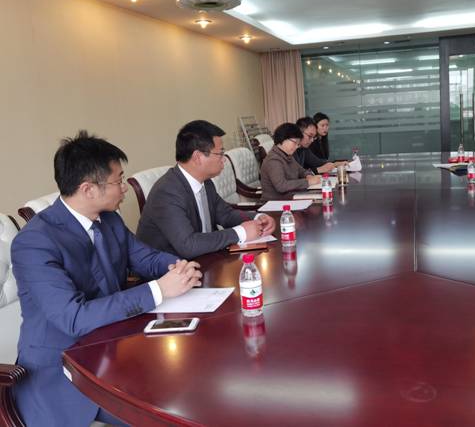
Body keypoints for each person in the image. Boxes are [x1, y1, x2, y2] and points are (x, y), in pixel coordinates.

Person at [11, 131, 202, 427]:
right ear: (88, 189)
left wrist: (178, 267)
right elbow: (73, 318)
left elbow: (144, 257)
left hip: (114, 348)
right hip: (62, 371)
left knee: (190, 380)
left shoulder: (109, 218)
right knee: (171, 414)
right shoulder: (35, 242)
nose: (124, 188)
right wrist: (158, 290)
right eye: (118, 181)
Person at [137, 120, 275, 258]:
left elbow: (226, 215)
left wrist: (258, 218)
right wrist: (240, 233)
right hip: (172, 266)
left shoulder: (206, 182)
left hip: (205, 257)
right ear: (198, 157)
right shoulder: (167, 192)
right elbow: (188, 245)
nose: (224, 159)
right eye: (220, 153)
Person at [260, 123, 322, 200]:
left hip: (290, 197)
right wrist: (308, 182)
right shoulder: (273, 160)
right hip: (275, 202)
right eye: (295, 143)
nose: (296, 147)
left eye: (298, 144)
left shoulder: (287, 155)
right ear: (283, 138)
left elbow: (302, 171)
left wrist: (308, 176)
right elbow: (281, 186)